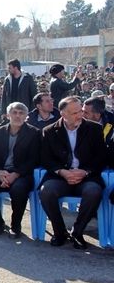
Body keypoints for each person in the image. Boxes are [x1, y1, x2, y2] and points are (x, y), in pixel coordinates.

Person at [39, 96, 107, 249]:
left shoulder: (94, 129)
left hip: (86, 176)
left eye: (81, 111)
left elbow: (101, 157)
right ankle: (59, 232)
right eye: (75, 113)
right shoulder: (49, 131)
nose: (80, 115)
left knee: (94, 192)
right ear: (63, 114)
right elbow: (46, 159)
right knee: (46, 191)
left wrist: (85, 171)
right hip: (61, 177)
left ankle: (77, 232)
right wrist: (62, 172)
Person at [0, 102, 40, 238]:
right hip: (0, 172)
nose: (17, 116)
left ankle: (15, 225)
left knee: (18, 190)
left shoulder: (34, 133)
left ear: (26, 116)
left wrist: (16, 174)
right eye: (14, 112)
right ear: (7, 115)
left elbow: (34, 159)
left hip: (22, 174)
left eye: (21, 113)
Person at [81, 96, 114, 165]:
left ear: (97, 115)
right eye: (82, 111)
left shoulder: (111, 122)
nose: (81, 115)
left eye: (86, 113)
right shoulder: (78, 122)